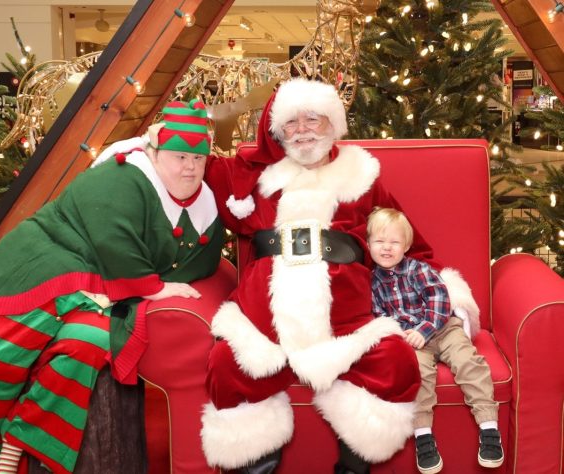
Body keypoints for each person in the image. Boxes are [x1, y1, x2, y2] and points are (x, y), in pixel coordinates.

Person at [199, 77, 481, 473]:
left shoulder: (360, 178)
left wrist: (446, 297)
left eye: (312, 119)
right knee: (226, 362)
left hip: (346, 322)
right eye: (291, 123)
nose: (301, 131)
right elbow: (188, 161)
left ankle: (354, 466)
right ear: (277, 131)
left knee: (397, 360)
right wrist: (140, 151)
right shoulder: (257, 179)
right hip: (265, 323)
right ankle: (256, 463)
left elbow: (405, 242)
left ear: (332, 124)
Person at [0, 99, 224, 474]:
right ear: (154, 153)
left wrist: (153, 285)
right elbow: (112, 236)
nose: (189, 167)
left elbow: (203, 261)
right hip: (42, 270)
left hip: (100, 297)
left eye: (198, 159)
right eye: (179, 156)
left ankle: (19, 442)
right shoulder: (123, 175)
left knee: (89, 344)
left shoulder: (204, 208)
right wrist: (153, 287)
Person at [367, 207, 503, 474]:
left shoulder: (419, 270)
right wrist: (398, 333)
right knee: (417, 376)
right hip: (411, 340)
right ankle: (423, 436)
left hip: (443, 328)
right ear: (369, 244)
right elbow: (378, 315)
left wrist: (424, 330)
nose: (386, 248)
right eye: (379, 242)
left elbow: (439, 300)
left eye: (394, 242)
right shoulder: (373, 282)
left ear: (406, 246)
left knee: (469, 362)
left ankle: (489, 428)